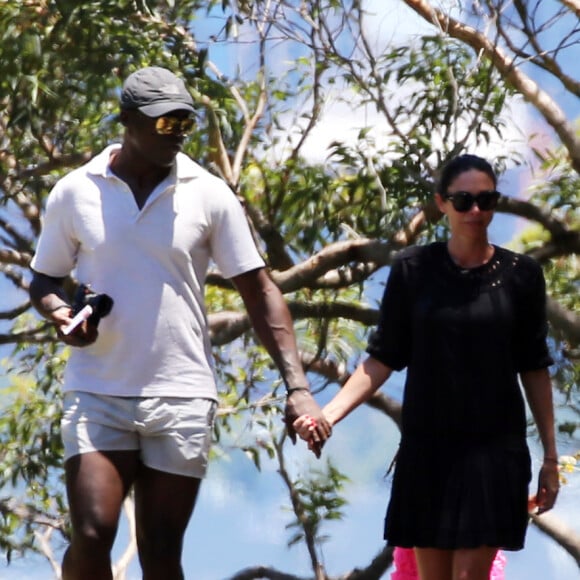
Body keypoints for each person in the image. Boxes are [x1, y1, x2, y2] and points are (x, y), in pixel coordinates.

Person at [29, 66, 331, 580]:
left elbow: (260, 293)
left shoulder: (208, 193)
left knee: (161, 550)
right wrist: (63, 315)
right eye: (164, 123)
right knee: (92, 534)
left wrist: (297, 386)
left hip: (183, 395)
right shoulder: (75, 191)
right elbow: (44, 281)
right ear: (127, 121)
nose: (177, 133)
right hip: (98, 391)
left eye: (184, 122)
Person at [294, 154, 560, 580]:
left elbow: (534, 367)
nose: (476, 211)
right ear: (441, 203)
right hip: (428, 453)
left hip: (493, 455)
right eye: (464, 200)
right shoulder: (413, 270)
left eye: (486, 199)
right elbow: (382, 358)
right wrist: (327, 415)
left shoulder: (521, 275)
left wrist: (550, 457)